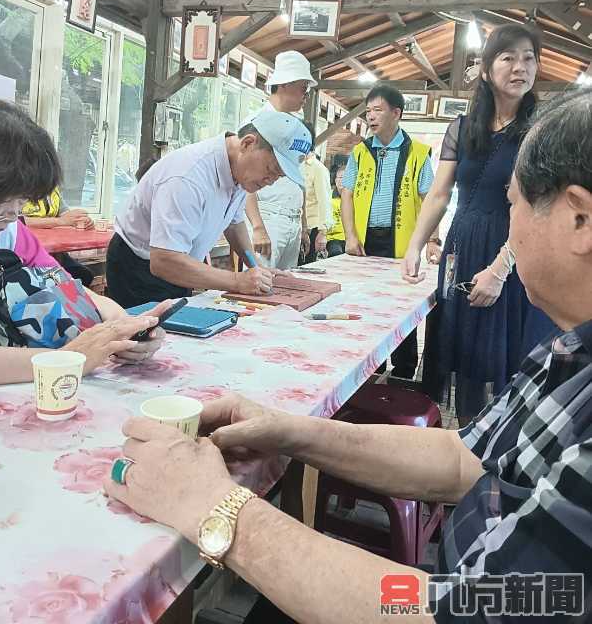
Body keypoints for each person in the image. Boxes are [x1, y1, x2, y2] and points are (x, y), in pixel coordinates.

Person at [106, 90, 592, 624]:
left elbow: (452, 611)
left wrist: (219, 510)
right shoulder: (569, 356)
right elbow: (463, 457)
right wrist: (291, 431)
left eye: (511, 202)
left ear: (578, 219)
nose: (506, 229)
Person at [402, 23, 555, 426]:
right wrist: (416, 245)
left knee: (503, 360)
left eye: (528, 58)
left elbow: (539, 207)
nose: (520, 66)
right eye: (508, 57)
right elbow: (439, 194)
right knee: (463, 355)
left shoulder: (540, 131)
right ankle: (467, 445)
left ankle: (498, 453)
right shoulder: (461, 127)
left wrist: (501, 269)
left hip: (512, 255)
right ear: (486, 69)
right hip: (462, 247)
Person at [0, 99, 170, 386]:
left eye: (21, 200)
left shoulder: (11, 232)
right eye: (1, 198)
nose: (13, 213)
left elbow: (71, 289)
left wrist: (123, 329)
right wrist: (70, 358)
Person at [107, 109, 312, 308]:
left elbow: (234, 222)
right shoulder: (187, 177)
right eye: (271, 170)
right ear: (248, 143)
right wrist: (238, 281)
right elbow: (164, 261)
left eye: (279, 177)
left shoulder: (240, 171)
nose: (271, 181)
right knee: (148, 336)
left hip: (181, 264)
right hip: (139, 268)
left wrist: (258, 269)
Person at [341, 81, 441, 379]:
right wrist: (350, 235)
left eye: (377, 110)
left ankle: (403, 373)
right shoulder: (359, 152)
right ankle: (371, 370)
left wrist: (433, 240)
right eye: (368, 111)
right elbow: (347, 194)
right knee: (365, 308)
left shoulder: (419, 153)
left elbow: (430, 199)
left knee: (399, 310)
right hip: (364, 244)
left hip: (402, 246)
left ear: (396, 113)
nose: (370, 116)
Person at [244, 51, 317, 270]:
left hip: (292, 220)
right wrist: (258, 226)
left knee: (287, 289)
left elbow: (298, 177)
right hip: (267, 217)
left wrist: (302, 226)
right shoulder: (256, 123)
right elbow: (243, 179)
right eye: (303, 88)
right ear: (285, 84)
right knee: (259, 287)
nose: (306, 95)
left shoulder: (296, 127)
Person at [23, 188, 95, 287]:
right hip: (26, 252)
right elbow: (17, 220)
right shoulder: (16, 186)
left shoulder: (52, 189)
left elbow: (66, 215)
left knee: (83, 275)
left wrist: (82, 220)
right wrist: (60, 221)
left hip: (55, 252)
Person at [300, 125, 333, 263]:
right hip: (297, 227)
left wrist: (322, 233)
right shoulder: (294, 165)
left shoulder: (318, 169)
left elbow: (325, 202)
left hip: (312, 229)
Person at [326, 158, 347, 258]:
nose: (343, 181)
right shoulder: (328, 197)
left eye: (346, 178)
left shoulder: (356, 198)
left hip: (350, 238)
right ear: (335, 180)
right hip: (333, 238)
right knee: (336, 253)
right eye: (340, 178)